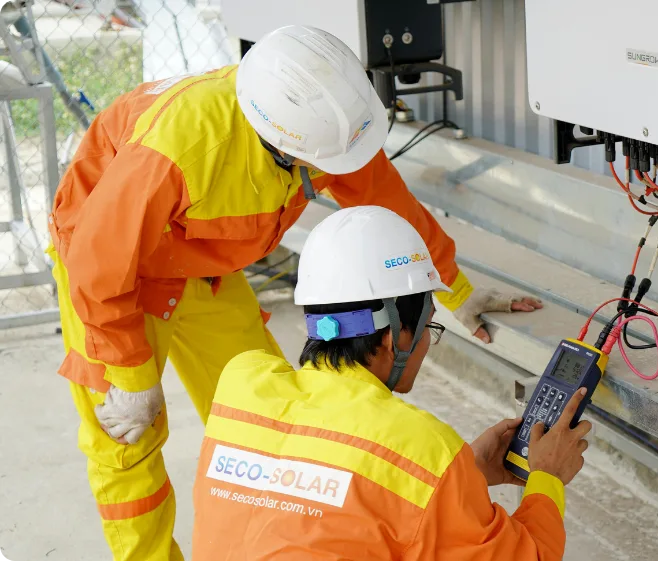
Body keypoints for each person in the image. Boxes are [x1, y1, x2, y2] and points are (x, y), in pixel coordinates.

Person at [48, 25, 541, 561]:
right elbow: (99, 264)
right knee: (126, 441)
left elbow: (387, 205)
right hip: (108, 277)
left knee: (277, 420)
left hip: (198, 265)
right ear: (282, 147)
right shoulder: (178, 151)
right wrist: (130, 372)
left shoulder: (322, 128)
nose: (336, 173)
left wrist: (452, 287)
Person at [190, 206, 590, 560]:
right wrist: (547, 477)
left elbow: (324, 494)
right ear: (394, 337)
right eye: (429, 326)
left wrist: (462, 476)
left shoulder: (242, 386)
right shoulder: (422, 448)